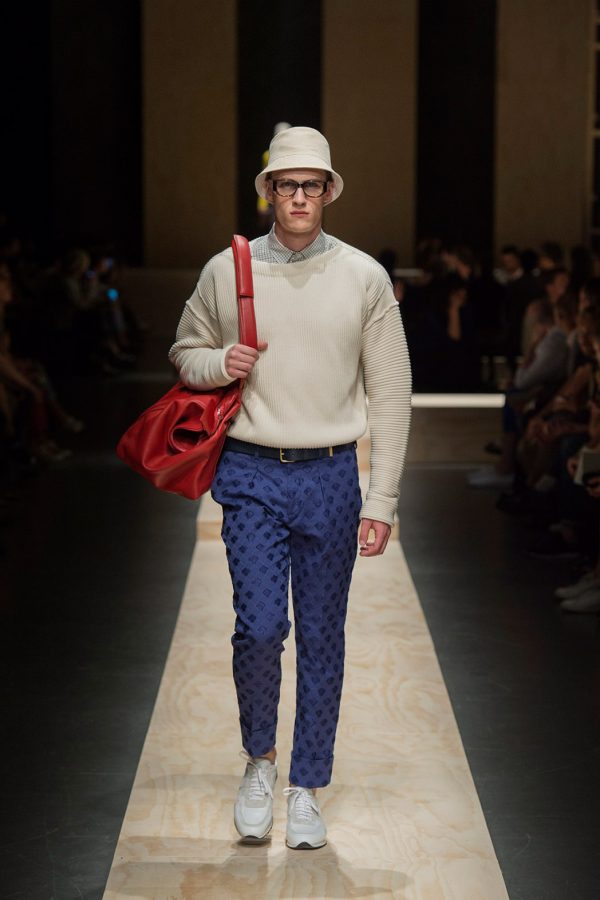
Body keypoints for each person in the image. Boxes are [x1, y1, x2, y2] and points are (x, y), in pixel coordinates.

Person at [168, 126, 412, 849]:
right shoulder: (229, 269)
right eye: (286, 184)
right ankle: (259, 759)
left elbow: (391, 393)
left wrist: (383, 498)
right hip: (249, 470)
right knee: (259, 627)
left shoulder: (364, 276)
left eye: (311, 185)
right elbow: (184, 350)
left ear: (328, 191)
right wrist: (219, 363)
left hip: (332, 473)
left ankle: (306, 785)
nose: (299, 196)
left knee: (323, 635)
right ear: (268, 191)